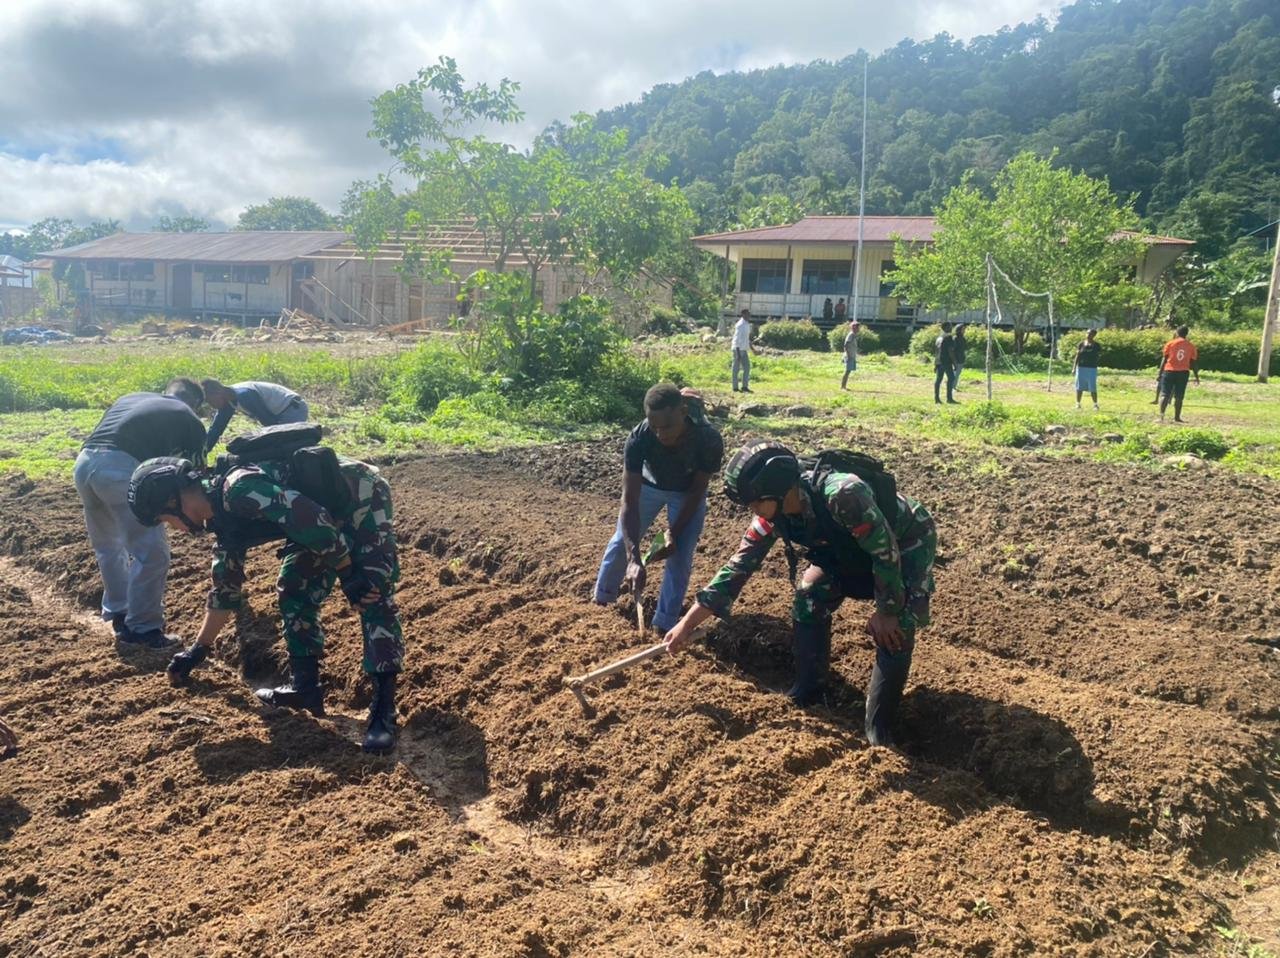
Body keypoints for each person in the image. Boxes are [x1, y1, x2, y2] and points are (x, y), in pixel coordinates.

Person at [127, 449, 405, 754]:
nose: (172, 528)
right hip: (320, 517)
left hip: (360, 495)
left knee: (371, 593)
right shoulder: (222, 518)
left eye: (164, 520)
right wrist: (198, 650)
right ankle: (305, 689)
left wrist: (349, 572)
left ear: (173, 501)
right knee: (295, 587)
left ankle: (384, 711)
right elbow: (225, 590)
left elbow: (314, 521)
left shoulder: (240, 490)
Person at [663, 441, 936, 746]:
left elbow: (885, 553)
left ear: (778, 490)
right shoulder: (771, 516)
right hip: (845, 547)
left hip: (905, 541)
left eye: (755, 502)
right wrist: (687, 624)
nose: (753, 511)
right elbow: (738, 567)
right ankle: (810, 689)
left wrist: (887, 610)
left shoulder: (844, 494)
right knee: (809, 593)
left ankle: (879, 728)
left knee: (896, 627)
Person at [73, 378, 206, 649]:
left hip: (84, 464)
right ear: (194, 403)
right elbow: (196, 475)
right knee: (152, 553)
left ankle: (120, 613)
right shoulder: (188, 416)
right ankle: (144, 629)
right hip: (119, 470)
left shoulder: (132, 397)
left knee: (108, 546)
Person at [593, 384, 724, 634]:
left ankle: (664, 624)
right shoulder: (639, 437)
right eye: (655, 427)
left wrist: (673, 533)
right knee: (621, 542)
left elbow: (697, 490)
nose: (661, 434)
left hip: (687, 492)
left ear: (683, 412)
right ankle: (601, 603)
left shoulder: (708, 439)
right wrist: (634, 559)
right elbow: (629, 501)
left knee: (680, 553)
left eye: (667, 427)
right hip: (649, 485)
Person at [202, 379, 309, 454]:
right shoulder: (228, 400)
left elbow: (269, 422)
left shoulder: (245, 395)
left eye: (209, 401)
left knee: (287, 447)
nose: (211, 405)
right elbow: (216, 429)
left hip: (292, 408)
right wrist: (203, 452)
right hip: (278, 413)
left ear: (218, 392)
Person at [1159, 325, 1200, 423]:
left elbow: (1164, 359)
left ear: (1177, 333)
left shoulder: (1170, 343)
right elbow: (1193, 363)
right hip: (1183, 372)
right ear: (1187, 334)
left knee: (1165, 394)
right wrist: (1196, 376)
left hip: (1169, 371)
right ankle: (1177, 417)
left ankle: (1161, 417)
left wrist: (1160, 373)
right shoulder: (1191, 346)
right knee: (1179, 396)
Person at [1073, 328, 1101, 410]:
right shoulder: (1081, 344)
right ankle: (1078, 404)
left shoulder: (1097, 345)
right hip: (1081, 368)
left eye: (1091, 334)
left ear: (1094, 335)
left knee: (1092, 386)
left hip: (1092, 368)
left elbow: (1098, 356)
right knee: (1079, 386)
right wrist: (1074, 368)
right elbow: (1077, 356)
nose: (1088, 335)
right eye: (1087, 333)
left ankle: (1095, 404)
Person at [732, 309, 757, 393]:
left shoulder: (746, 324)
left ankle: (744, 387)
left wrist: (753, 350)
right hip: (737, 349)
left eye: (749, 314)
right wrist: (738, 353)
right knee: (736, 369)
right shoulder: (740, 325)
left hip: (744, 349)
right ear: (743, 314)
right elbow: (737, 339)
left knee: (747, 367)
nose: (749, 316)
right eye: (747, 314)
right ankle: (735, 387)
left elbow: (747, 339)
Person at [934, 322, 958, 404]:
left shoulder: (939, 338)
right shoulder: (948, 337)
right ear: (946, 327)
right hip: (946, 361)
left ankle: (937, 398)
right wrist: (954, 362)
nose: (951, 328)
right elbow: (950, 351)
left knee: (938, 380)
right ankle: (949, 398)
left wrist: (935, 364)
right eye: (950, 326)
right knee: (951, 378)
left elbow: (936, 351)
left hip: (938, 361)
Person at [840, 321, 860, 390]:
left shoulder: (854, 335)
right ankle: (843, 387)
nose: (858, 329)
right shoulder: (851, 335)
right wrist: (848, 355)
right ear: (854, 328)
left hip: (852, 355)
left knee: (848, 371)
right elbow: (846, 345)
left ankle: (844, 386)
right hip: (849, 356)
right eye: (857, 327)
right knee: (847, 371)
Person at [952, 323, 968, 388]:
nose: (964, 331)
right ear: (959, 330)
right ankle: (952, 386)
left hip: (961, 359)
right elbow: (952, 350)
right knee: (955, 374)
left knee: (957, 374)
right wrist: (954, 361)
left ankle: (954, 386)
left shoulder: (963, 339)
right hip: (956, 359)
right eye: (963, 329)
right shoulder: (955, 338)